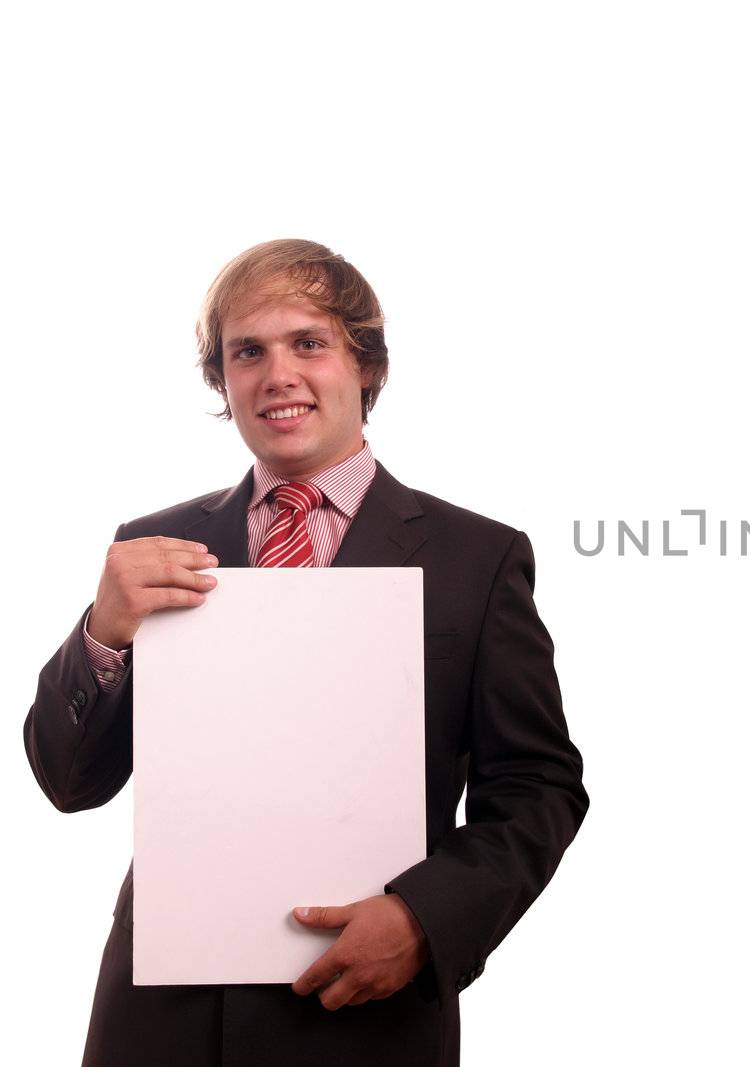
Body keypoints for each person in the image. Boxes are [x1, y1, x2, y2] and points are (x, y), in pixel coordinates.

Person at [22, 239, 588, 1067]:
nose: (278, 373)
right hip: (162, 1025)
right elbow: (69, 782)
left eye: (309, 343)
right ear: (223, 381)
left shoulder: (477, 559)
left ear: (367, 366)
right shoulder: (152, 546)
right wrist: (100, 634)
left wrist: (424, 919)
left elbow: (538, 788)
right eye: (247, 350)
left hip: (365, 1013)